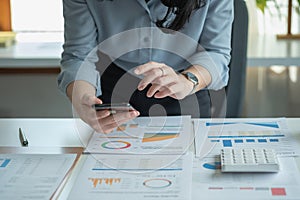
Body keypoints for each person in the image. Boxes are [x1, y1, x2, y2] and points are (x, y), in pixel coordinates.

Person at [58, 0, 233, 133]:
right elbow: (78, 55)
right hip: (113, 95)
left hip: (187, 89)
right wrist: (82, 100)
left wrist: (188, 80)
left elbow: (216, 53)